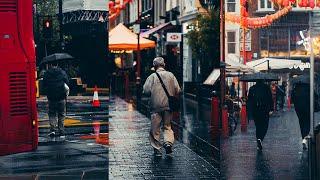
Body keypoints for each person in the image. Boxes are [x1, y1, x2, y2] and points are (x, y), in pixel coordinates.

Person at [143, 57, 181, 156]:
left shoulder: (152, 77)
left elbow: (146, 91)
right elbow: (178, 90)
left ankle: (157, 149)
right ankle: (168, 143)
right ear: (164, 65)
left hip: (155, 106)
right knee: (167, 126)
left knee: (155, 128)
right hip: (168, 106)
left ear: (155, 66)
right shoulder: (171, 75)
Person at [43, 62, 69, 138]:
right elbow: (67, 81)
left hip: (51, 98)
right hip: (61, 97)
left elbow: (44, 85)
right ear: (57, 64)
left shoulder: (47, 73)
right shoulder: (62, 72)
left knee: (52, 114)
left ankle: (53, 130)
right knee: (61, 114)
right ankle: (61, 131)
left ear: (50, 65)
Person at [291, 82, 319, 149]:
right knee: (307, 123)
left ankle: (304, 137)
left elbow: (292, 99)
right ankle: (305, 138)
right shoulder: (308, 88)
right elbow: (316, 96)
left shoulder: (295, 89)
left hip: (298, 109)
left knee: (302, 122)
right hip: (308, 108)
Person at [247, 80, 273, 151]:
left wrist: (250, 113)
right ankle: (260, 138)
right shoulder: (266, 88)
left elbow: (249, 101)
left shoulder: (252, 88)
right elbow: (270, 98)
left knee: (258, 126)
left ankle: (258, 139)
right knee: (265, 125)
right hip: (265, 110)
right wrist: (271, 109)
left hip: (256, 110)